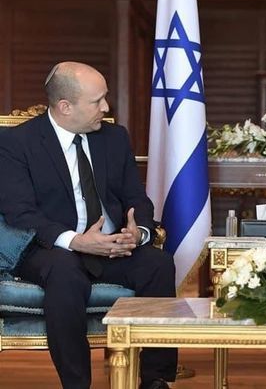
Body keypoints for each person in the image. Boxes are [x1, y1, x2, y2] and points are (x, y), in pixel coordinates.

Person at [0, 61, 177, 389]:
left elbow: (136, 197)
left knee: (158, 264)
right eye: (97, 101)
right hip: (50, 248)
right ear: (65, 107)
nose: (106, 108)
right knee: (65, 273)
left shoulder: (114, 138)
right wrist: (77, 241)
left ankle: (155, 380)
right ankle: (77, 384)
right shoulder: (18, 143)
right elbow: (19, 213)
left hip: (112, 246)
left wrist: (137, 233)